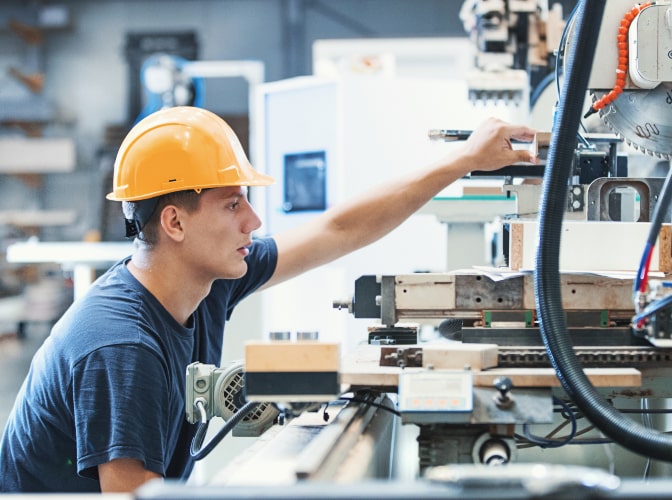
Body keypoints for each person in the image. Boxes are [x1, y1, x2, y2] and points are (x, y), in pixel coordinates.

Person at [0, 106, 536, 493]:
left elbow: (339, 229)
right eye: (234, 203)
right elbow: (134, 494)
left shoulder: (204, 284)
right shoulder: (121, 345)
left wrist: (461, 161)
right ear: (175, 221)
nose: (253, 222)